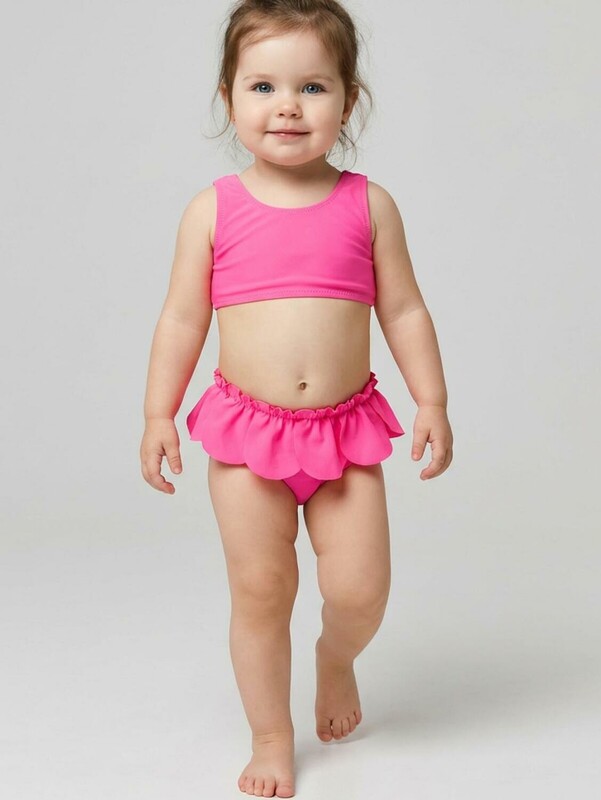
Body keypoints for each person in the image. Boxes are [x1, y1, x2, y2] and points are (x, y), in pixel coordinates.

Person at [140, 0, 453, 796]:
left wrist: (431, 401)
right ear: (228, 97)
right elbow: (181, 318)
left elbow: (403, 310)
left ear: (348, 100)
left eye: (312, 87)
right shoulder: (212, 211)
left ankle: (334, 658)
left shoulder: (368, 204)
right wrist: (157, 413)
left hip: (343, 434)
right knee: (260, 590)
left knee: (359, 591)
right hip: (246, 436)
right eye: (264, 87)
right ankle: (271, 736)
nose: (287, 106)